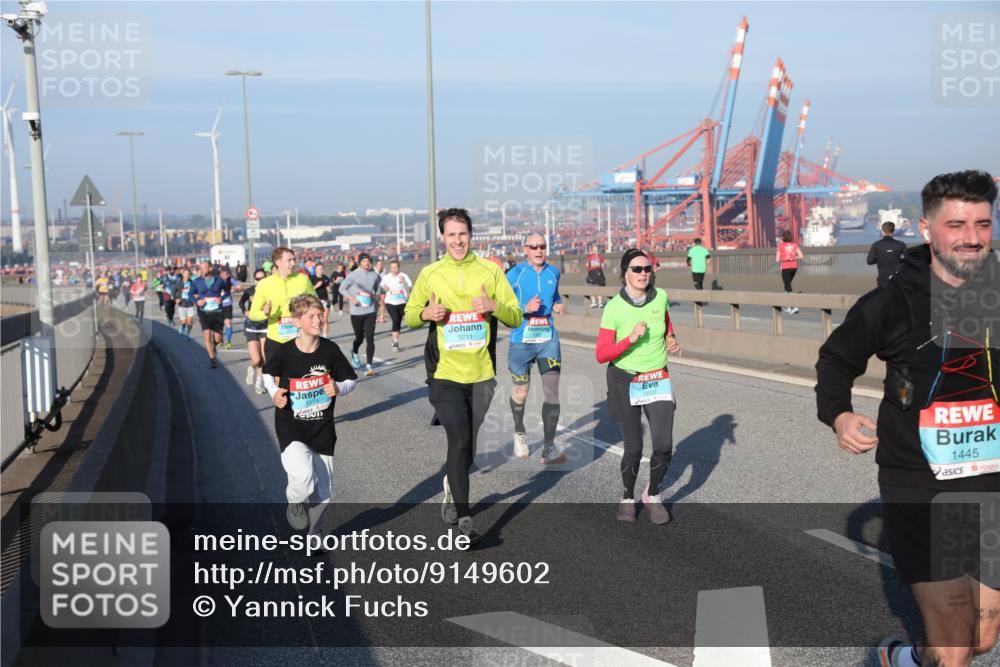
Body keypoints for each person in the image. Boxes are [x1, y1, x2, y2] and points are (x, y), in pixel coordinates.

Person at [815, 170, 999, 667]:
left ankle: (905, 659)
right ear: (926, 229)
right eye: (957, 224)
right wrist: (840, 415)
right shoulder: (893, 301)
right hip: (919, 481)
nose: (972, 238)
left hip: (992, 481)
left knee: (981, 639)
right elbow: (836, 360)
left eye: (983, 224)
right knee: (957, 648)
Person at [404, 208, 522, 545]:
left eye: (463, 234)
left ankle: (450, 486)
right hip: (443, 373)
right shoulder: (430, 273)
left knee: (467, 446)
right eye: (451, 234)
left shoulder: (490, 271)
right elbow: (411, 315)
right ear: (442, 237)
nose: (457, 240)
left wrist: (491, 306)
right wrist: (426, 312)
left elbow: (514, 317)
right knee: (457, 440)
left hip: (481, 373)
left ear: (471, 235)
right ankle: (464, 520)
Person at [596, 248, 681, 524]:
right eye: (637, 269)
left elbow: (667, 324)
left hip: (656, 377)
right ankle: (627, 496)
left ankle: (653, 494)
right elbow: (601, 354)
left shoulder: (661, 297)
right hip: (624, 379)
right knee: (633, 448)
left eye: (647, 269)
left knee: (664, 445)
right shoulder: (614, 308)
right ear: (625, 273)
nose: (643, 273)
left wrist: (671, 338)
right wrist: (630, 339)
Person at [262, 294, 357, 534]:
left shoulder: (330, 350)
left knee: (323, 493)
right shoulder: (284, 352)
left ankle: (315, 533)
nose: (318, 320)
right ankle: (295, 503)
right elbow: (267, 373)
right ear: (297, 322)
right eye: (312, 316)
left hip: (323, 428)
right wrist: (274, 392)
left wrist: (338, 388)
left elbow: (350, 381)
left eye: (320, 314)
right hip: (291, 425)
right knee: (303, 478)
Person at [505, 233, 568, 464]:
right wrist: (524, 308)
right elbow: (502, 306)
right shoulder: (514, 274)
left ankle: (548, 447)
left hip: (547, 340)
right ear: (525, 250)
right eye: (534, 247)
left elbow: (556, 297)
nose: (539, 250)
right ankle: (519, 430)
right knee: (520, 393)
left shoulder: (554, 273)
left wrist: (559, 305)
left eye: (542, 246)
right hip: (521, 341)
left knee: (552, 391)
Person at [248, 247, 318, 363]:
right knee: (280, 380)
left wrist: (307, 312)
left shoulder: (303, 280)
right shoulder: (265, 284)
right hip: (276, 340)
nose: (293, 263)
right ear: (278, 262)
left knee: (298, 378)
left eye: (294, 260)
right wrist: (265, 313)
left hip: (300, 339)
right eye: (289, 260)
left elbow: (317, 304)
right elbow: (253, 314)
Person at [339, 253, 383, 377]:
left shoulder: (375, 275)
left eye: (369, 261)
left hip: (370, 311)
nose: (367, 263)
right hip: (356, 311)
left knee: (370, 337)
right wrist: (351, 299)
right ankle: (354, 351)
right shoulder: (353, 275)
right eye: (364, 261)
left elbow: (379, 289)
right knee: (359, 338)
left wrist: (376, 295)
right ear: (360, 263)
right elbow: (342, 288)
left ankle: (369, 365)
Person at [189, 261, 226, 369]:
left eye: (204, 268)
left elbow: (227, 291)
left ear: (210, 269)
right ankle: (212, 359)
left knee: (217, 338)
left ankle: (214, 346)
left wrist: (221, 298)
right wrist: (197, 302)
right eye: (201, 268)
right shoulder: (197, 281)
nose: (202, 271)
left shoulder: (218, 280)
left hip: (217, 312)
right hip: (203, 312)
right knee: (207, 335)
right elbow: (190, 294)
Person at [240, 268, 269, 394]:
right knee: (257, 359)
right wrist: (245, 311)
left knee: (264, 358)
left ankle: (259, 383)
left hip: (265, 325)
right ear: (254, 280)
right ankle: (251, 367)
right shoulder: (250, 291)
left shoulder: (270, 291)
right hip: (251, 326)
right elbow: (241, 302)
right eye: (257, 279)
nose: (260, 281)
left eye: (262, 278)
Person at [379, 259, 412, 353]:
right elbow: (382, 285)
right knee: (395, 320)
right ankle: (396, 343)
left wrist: (404, 282)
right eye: (392, 267)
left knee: (399, 321)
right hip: (390, 302)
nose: (394, 269)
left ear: (399, 267)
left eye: (396, 267)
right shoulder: (387, 277)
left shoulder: (403, 276)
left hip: (402, 302)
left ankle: (394, 341)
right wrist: (384, 287)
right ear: (390, 268)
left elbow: (410, 286)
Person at [866, 221, 909, 287]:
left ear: (882, 231)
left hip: (883, 277)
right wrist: (900, 260)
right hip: (897, 276)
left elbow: (869, 261)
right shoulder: (901, 244)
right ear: (893, 231)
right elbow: (909, 260)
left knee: (883, 295)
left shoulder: (876, 245)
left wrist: (880, 258)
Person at [775, 230, 804, 313]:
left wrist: (784, 257)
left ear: (783, 238)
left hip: (786, 267)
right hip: (794, 267)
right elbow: (801, 256)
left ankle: (794, 307)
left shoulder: (780, 246)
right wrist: (793, 257)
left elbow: (777, 260)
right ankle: (788, 307)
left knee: (788, 286)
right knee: (786, 285)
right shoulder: (795, 245)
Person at [218, 266, 238, 350]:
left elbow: (239, 286)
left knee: (228, 323)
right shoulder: (216, 280)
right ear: (221, 273)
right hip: (218, 305)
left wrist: (236, 289)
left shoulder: (230, 279)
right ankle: (220, 339)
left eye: (229, 273)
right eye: (226, 273)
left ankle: (228, 341)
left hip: (227, 305)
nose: (228, 275)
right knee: (219, 325)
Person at [311, 263, 332, 338]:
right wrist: (317, 285)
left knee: (325, 319)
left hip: (325, 300)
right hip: (316, 301)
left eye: (321, 269)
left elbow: (329, 288)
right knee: (316, 319)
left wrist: (329, 288)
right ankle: (316, 335)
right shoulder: (312, 278)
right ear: (315, 270)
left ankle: (325, 336)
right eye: (318, 269)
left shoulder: (326, 278)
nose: (320, 270)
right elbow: (310, 289)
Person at [173, 269, 196, 339]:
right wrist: (176, 299)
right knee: (184, 322)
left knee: (190, 322)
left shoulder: (192, 283)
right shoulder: (178, 283)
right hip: (182, 304)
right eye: (185, 273)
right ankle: (182, 327)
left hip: (190, 304)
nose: (187, 275)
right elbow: (173, 291)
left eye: (188, 274)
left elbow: (196, 291)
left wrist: (196, 296)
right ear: (183, 274)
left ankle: (187, 335)